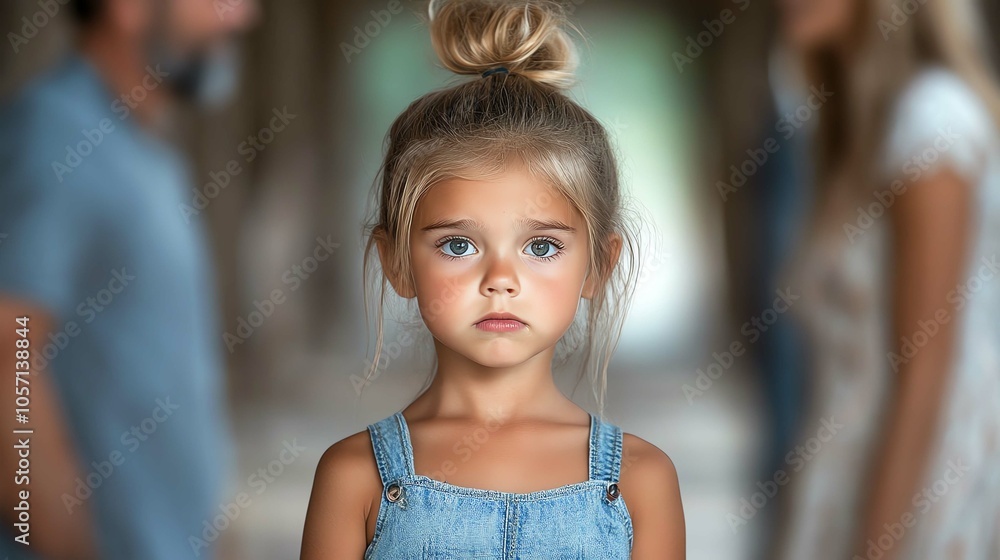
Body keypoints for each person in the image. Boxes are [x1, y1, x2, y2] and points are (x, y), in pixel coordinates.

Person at [300, 1, 685, 558]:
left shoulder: (641, 482)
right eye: (458, 245)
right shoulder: (354, 476)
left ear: (599, 265)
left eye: (541, 247)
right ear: (397, 262)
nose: (500, 279)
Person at [0, 0, 256, 558]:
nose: (239, 17)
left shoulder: (145, 147)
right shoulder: (55, 134)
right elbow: (8, 351)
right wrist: (60, 538)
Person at [771, 0, 1000, 558]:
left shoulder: (934, 120)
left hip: (919, 494)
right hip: (849, 476)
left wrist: (876, 545)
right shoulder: (850, 128)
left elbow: (927, 370)